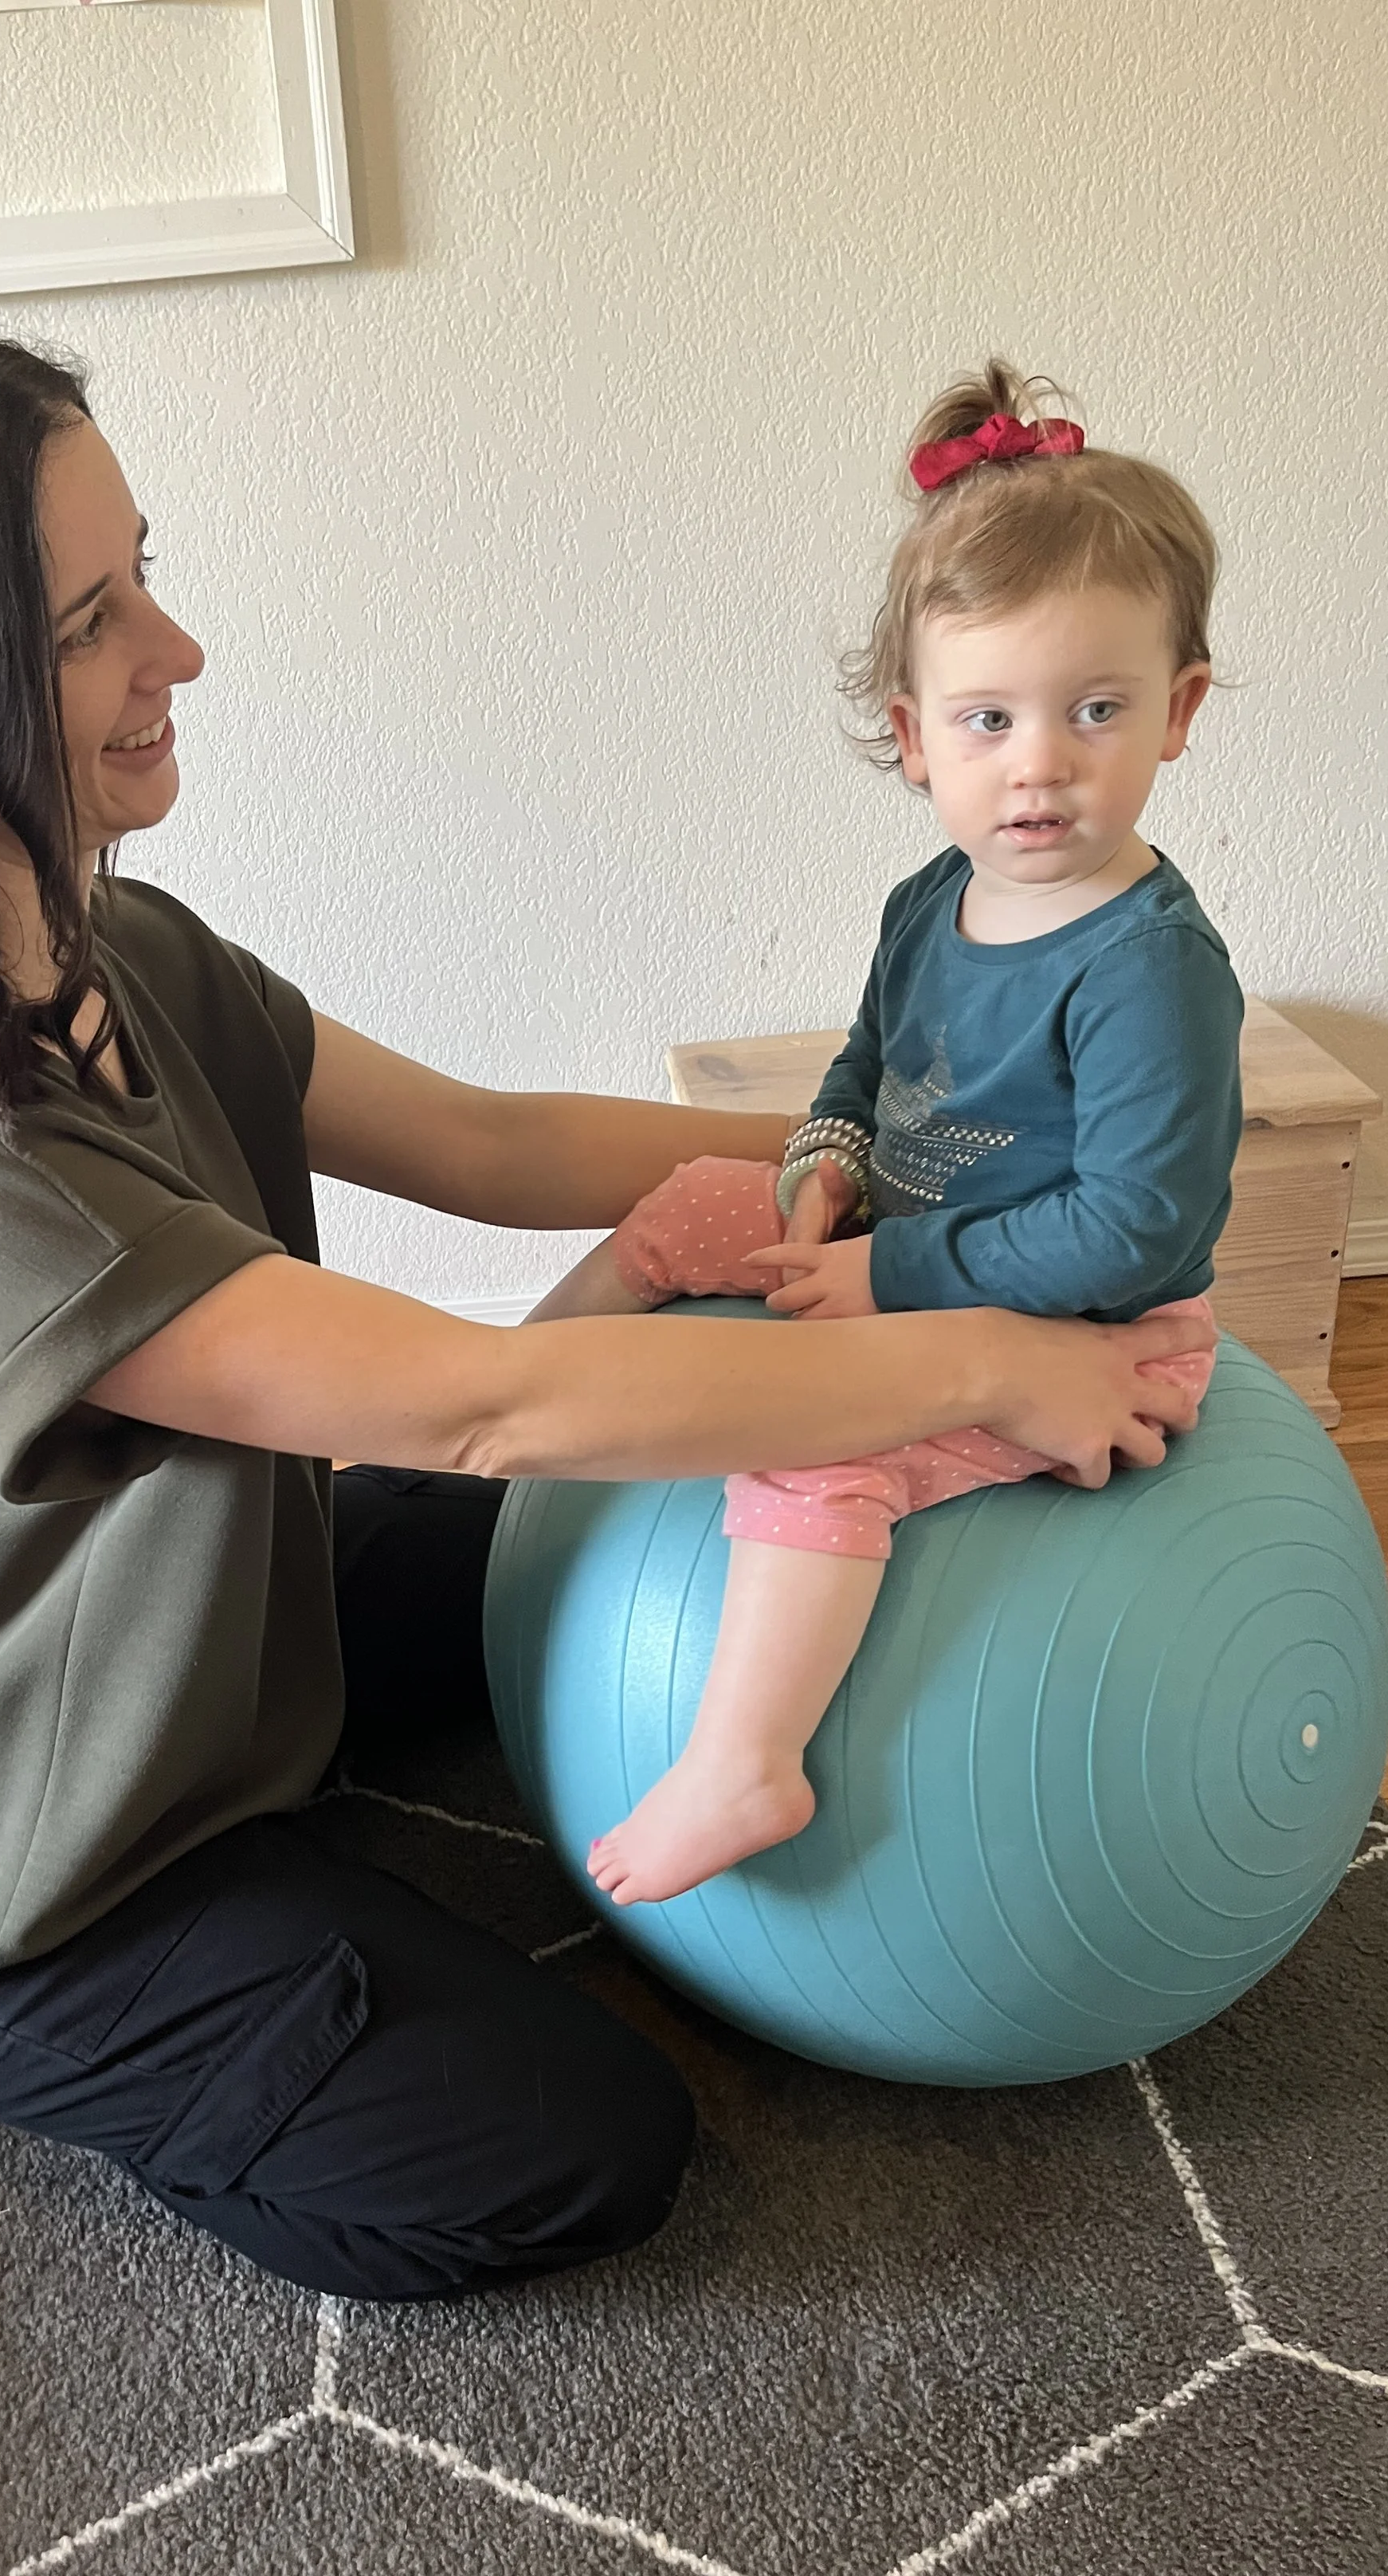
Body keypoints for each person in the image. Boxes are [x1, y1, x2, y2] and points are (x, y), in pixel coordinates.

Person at [0, 324, 1212, 2303]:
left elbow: (491, 1139)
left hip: (219, 1630)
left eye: (144, 569)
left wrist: (912, 1154)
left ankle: (296, 1836)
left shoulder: (115, 947)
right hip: (27, 1878)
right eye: (90, 621)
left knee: (556, 1547)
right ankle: (149, 2037)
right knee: (584, 2149)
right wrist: (1001, 1349)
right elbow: (476, 1404)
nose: (177, 649)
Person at [541, 361, 1241, 1907]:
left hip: (1086, 1330)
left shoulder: (1146, 968)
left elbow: (1141, 1226)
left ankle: (746, 1760)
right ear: (911, 733)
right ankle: (510, 1462)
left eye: (1095, 710)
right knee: (680, 1205)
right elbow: (863, 1068)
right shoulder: (931, 900)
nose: (1038, 763)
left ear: (1175, 712)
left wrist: (889, 1278)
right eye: (987, 718)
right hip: (896, 1248)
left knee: (806, 1443)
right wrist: (822, 1170)